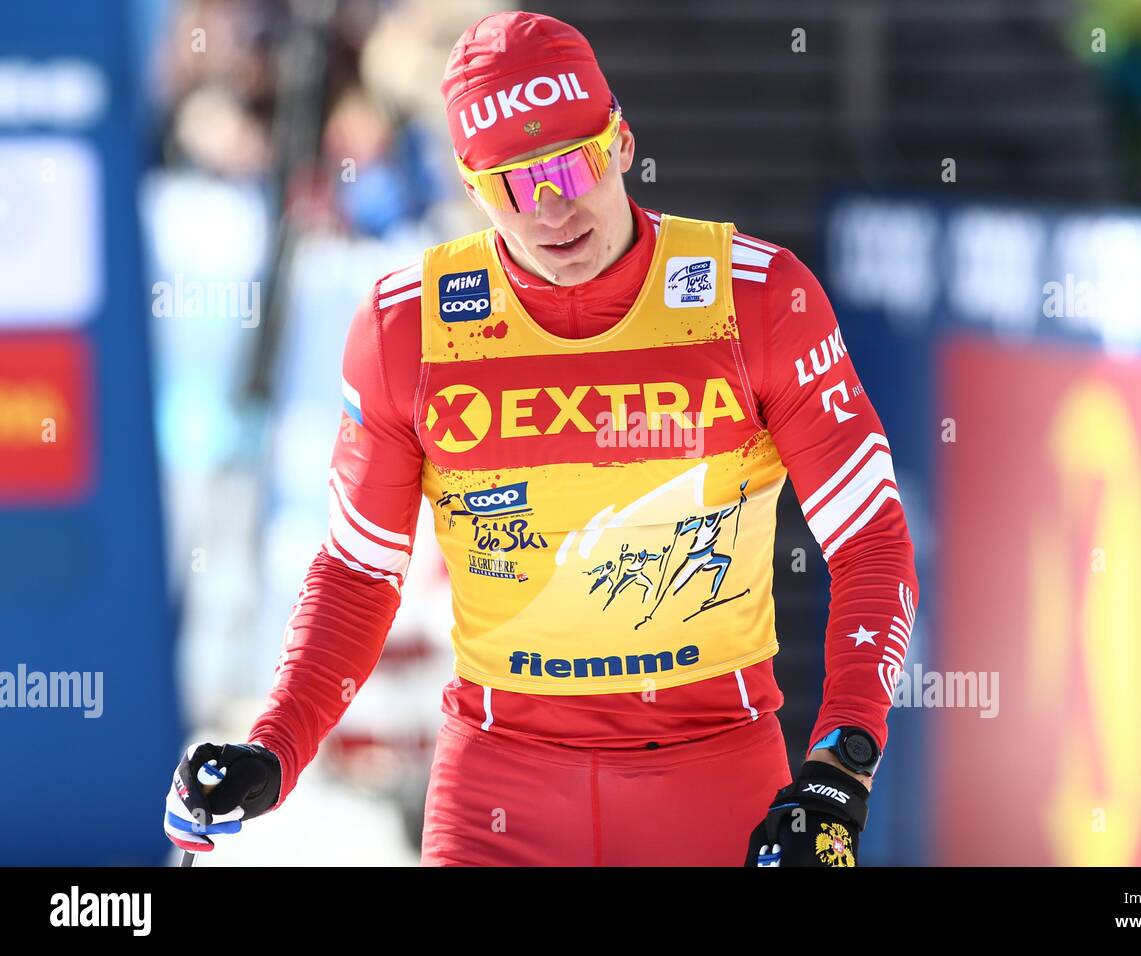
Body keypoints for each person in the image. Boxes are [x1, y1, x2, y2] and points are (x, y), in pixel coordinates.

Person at [165, 10, 919, 867]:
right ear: (470, 186)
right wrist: (274, 748)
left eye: (572, 163)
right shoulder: (406, 327)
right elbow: (357, 571)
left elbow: (872, 542)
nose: (554, 207)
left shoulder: (756, 298)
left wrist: (839, 767)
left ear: (622, 143)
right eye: (516, 184)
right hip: (499, 792)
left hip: (712, 777)